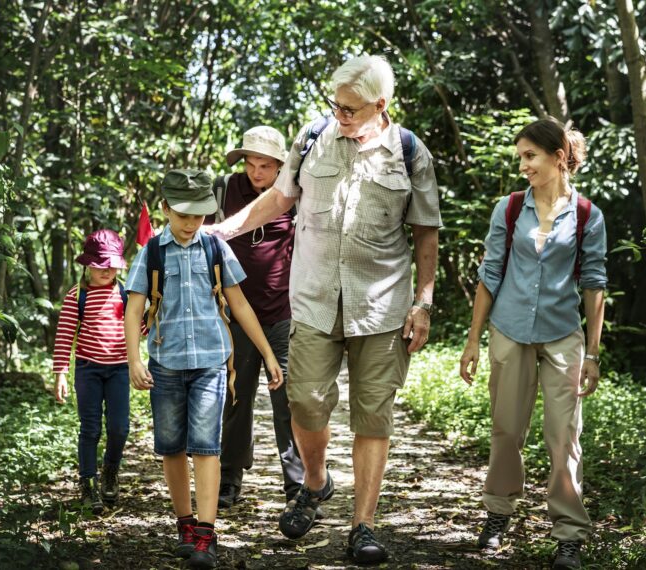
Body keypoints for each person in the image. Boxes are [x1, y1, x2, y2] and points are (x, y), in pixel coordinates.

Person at [207, 55, 441, 564]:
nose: (341, 115)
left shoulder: (409, 152)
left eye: (352, 109)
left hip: (381, 307)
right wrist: (220, 230)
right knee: (306, 402)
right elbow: (278, 200)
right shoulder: (313, 137)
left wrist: (423, 302)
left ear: (382, 106)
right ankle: (315, 482)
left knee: (372, 416)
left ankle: (364, 525)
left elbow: (426, 230)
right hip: (312, 299)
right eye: (335, 105)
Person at [459, 118, 607, 570]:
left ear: (558, 157)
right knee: (506, 430)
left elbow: (594, 284)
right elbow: (490, 276)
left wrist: (593, 354)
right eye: (520, 157)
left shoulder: (587, 215)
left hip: (563, 335)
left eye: (530, 156)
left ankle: (568, 535)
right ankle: (498, 514)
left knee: (564, 436)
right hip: (508, 331)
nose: (523, 165)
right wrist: (472, 341)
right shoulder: (508, 209)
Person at [123, 169, 284, 570]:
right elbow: (134, 309)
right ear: (166, 209)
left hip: (211, 363)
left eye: (199, 216)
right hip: (166, 365)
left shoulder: (215, 249)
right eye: (183, 215)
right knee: (172, 447)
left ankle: (206, 535)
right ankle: (185, 525)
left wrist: (266, 352)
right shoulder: (152, 252)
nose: (191, 223)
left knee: (206, 447)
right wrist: (133, 359)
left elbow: (240, 303)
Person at [214, 126, 305, 508]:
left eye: (265, 165)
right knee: (236, 398)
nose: (256, 172)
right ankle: (230, 477)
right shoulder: (224, 190)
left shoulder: (294, 195)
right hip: (236, 313)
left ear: (281, 166)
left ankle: (297, 485)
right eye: (250, 164)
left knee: (288, 401)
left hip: (283, 311)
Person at [52, 229, 131, 515]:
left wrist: (152, 314)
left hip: (120, 370)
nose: (107, 271)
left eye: (112, 265)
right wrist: (60, 372)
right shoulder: (77, 295)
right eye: (101, 265)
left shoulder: (124, 293)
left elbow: (139, 329)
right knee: (90, 428)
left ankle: (110, 471)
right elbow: (64, 335)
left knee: (120, 427)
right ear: (88, 264)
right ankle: (88, 483)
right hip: (88, 370)